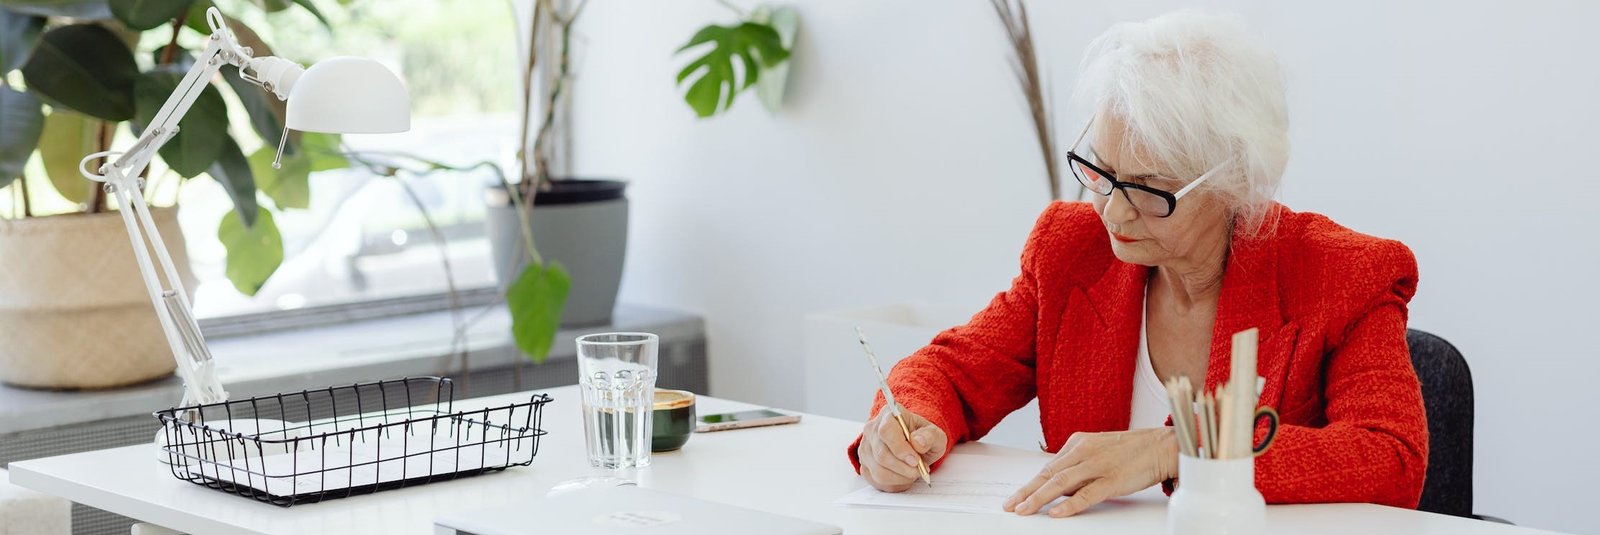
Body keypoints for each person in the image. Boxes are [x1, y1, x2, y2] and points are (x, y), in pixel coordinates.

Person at [847, 10, 1427, 518]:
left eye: (1150, 189)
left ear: (1234, 181)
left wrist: (1174, 451)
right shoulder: (1072, 250)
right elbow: (952, 372)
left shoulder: (1341, 274)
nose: (1112, 210)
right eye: (1102, 172)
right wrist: (905, 425)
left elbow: (1392, 456)